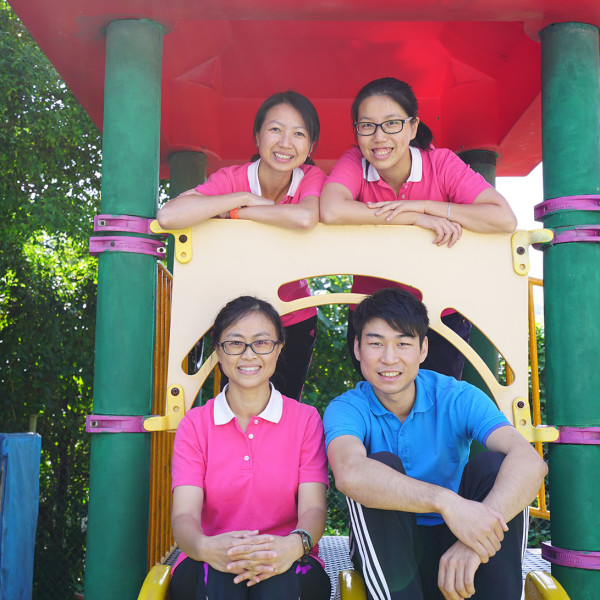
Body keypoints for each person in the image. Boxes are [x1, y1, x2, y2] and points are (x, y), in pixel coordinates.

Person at [323, 288, 547, 600]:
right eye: (376, 343)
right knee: (378, 467)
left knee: (496, 467)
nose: (389, 358)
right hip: (389, 550)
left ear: (423, 349)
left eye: (403, 343)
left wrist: (475, 538)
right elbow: (349, 473)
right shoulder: (347, 408)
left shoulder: (457, 396)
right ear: (358, 348)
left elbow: (530, 463)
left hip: (458, 543)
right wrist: (447, 502)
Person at [320, 78, 518, 380]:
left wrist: (425, 207)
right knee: (381, 403)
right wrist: (411, 219)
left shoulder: (441, 163)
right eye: (367, 126)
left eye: (392, 124)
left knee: (437, 402)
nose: (379, 137)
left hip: (439, 314)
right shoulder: (355, 161)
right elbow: (332, 209)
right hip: (371, 315)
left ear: (413, 127)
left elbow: (503, 218)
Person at [158, 91, 326, 400]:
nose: (286, 142)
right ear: (257, 136)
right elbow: (169, 216)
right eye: (275, 129)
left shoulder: (310, 177)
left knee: (285, 406)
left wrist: (237, 214)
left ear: (311, 146)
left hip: (293, 314)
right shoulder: (233, 179)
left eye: (299, 133)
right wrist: (243, 197)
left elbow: (305, 217)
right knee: (239, 404)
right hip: (238, 316)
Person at [170, 296, 331, 600]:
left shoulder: (305, 420)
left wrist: (292, 546)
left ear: (279, 348)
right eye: (235, 343)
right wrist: (207, 548)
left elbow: (313, 509)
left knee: (278, 583)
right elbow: (184, 517)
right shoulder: (195, 425)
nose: (248, 354)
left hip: (289, 554)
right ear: (218, 350)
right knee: (221, 579)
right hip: (209, 556)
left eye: (261, 342)